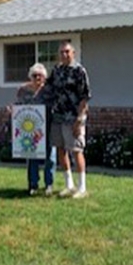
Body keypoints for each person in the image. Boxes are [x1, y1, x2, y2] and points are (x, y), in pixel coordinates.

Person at [45, 41, 91, 198]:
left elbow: (85, 97)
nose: (64, 55)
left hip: (73, 117)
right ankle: (69, 185)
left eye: (67, 52)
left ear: (73, 53)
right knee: (60, 149)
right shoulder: (57, 70)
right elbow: (47, 86)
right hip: (57, 116)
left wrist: (79, 119)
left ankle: (82, 187)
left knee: (77, 150)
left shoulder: (79, 71)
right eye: (62, 52)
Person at [14, 63, 55, 196]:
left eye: (40, 75)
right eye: (34, 75)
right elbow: (18, 106)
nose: (37, 78)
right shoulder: (23, 90)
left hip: (48, 127)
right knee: (32, 157)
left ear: (44, 77)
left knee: (50, 157)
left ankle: (49, 184)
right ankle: (33, 184)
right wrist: (12, 110)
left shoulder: (49, 90)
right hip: (31, 129)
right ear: (30, 77)